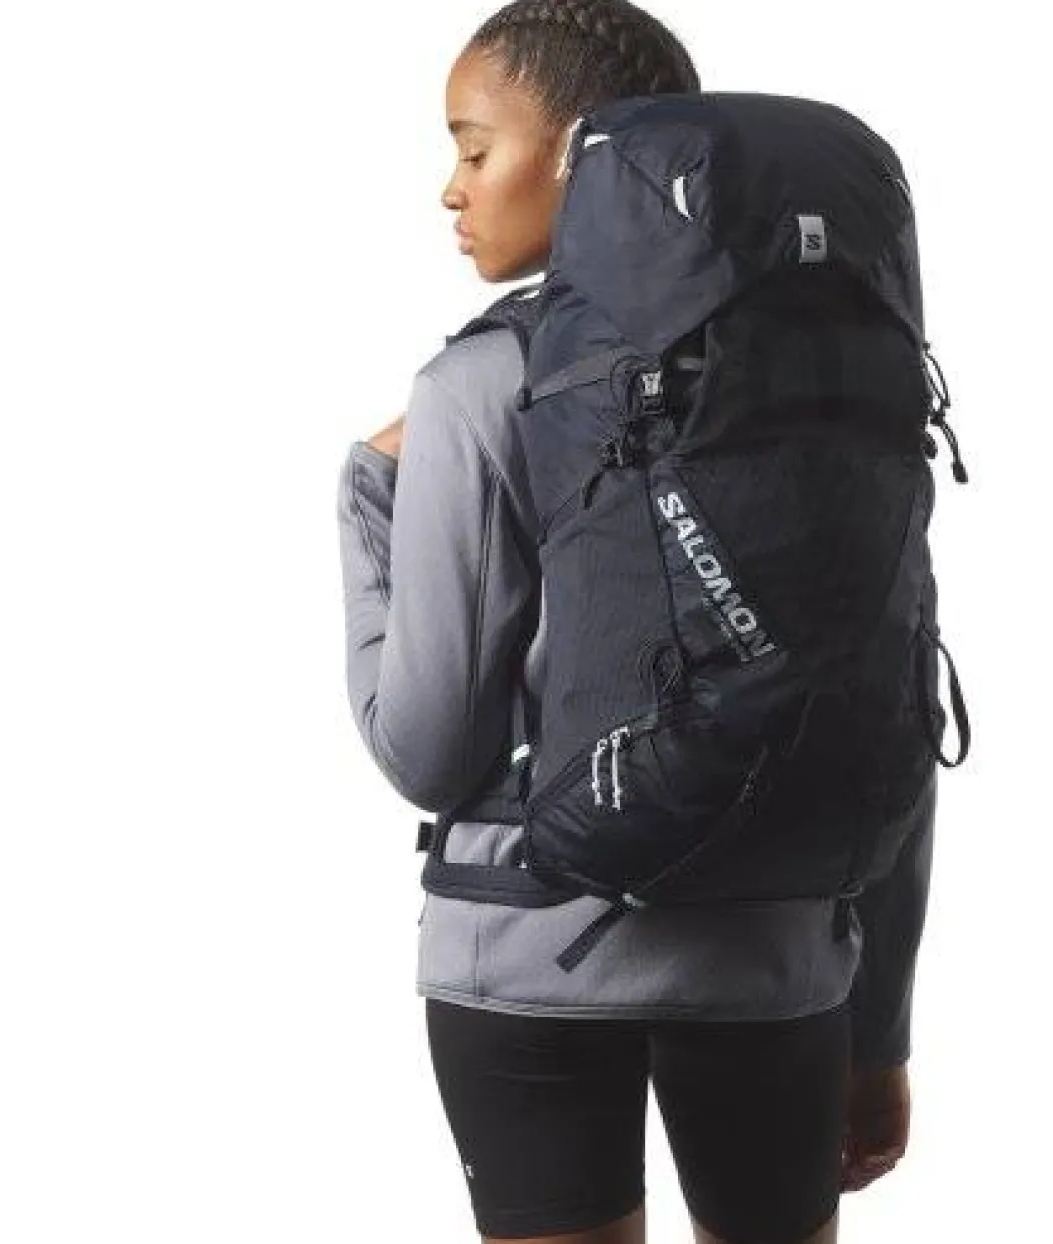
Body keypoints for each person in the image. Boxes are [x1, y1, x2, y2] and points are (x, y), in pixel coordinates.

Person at [336, 4, 937, 1241]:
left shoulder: (474, 387)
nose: (451, 188)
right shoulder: (811, 374)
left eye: (473, 146)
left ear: (575, 155)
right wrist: (876, 1026)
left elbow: (428, 750)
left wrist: (366, 496)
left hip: (524, 964)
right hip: (780, 967)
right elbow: (882, 708)